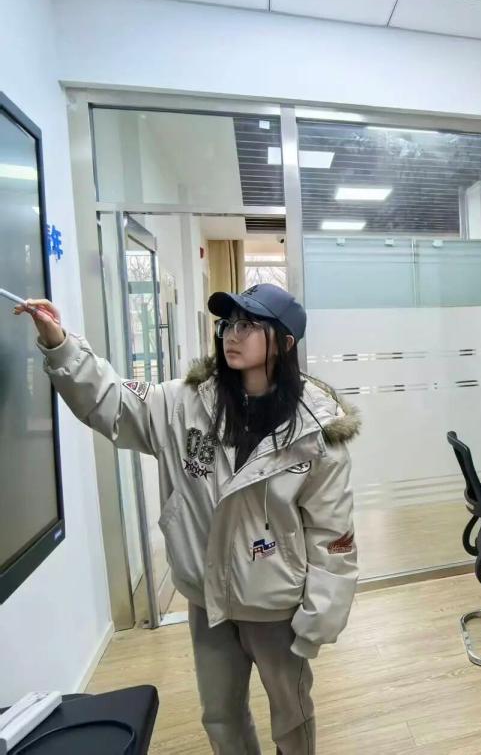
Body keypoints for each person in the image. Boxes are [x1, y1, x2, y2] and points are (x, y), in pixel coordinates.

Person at [16, 284, 359, 755]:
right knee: (220, 715)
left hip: (276, 605)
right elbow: (112, 402)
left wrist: (319, 616)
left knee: (291, 713)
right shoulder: (184, 403)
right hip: (206, 596)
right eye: (227, 324)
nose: (231, 335)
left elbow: (331, 531)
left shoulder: (315, 430)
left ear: (284, 342)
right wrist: (60, 344)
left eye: (248, 325)